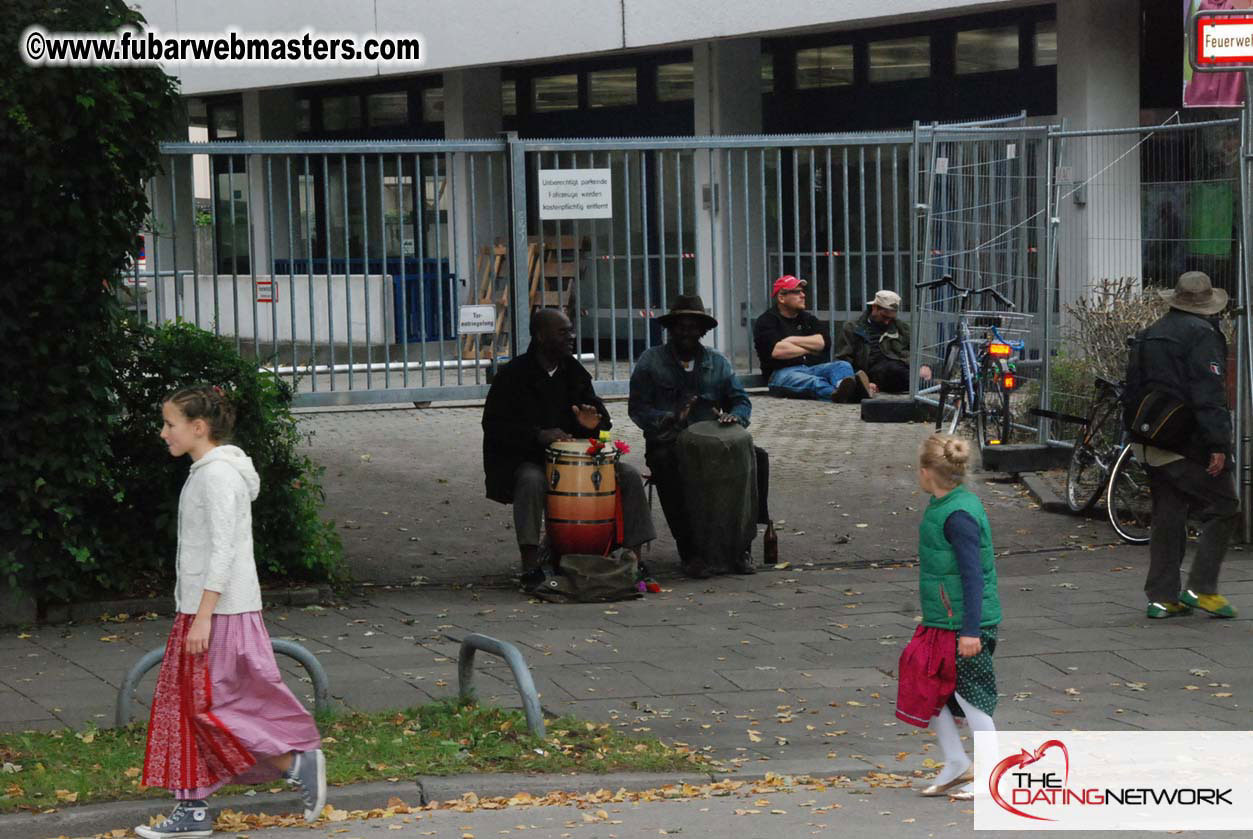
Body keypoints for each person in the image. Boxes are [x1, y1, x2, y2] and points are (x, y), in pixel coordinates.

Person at [139, 386, 325, 839]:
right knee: (184, 708)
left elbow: (222, 552)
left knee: (213, 706)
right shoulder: (206, 470)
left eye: (170, 424)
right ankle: (193, 810)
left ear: (198, 427)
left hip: (219, 613)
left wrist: (203, 617)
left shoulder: (217, 476)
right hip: (202, 609)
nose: (163, 432)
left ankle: (295, 761)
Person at [482, 308, 655, 591]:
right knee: (530, 480)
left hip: (578, 463)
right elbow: (494, 426)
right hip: (531, 459)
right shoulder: (512, 375)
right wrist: (538, 436)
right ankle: (530, 566)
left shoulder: (574, 372)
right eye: (563, 332)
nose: (572, 336)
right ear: (540, 336)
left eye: (571, 330)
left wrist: (590, 425)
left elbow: (603, 426)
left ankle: (633, 562)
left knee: (629, 476)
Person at [629, 294, 771, 578]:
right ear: (670, 329)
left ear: (703, 331)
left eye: (693, 327)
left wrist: (735, 418)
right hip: (668, 442)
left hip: (714, 443)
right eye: (681, 326)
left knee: (758, 459)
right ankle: (690, 551)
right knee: (666, 466)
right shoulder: (650, 361)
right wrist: (667, 418)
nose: (686, 332)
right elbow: (638, 408)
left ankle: (742, 545)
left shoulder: (717, 362)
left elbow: (741, 400)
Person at [1125, 271, 1239, 620]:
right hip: (1186, 441)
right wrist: (1220, 445)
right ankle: (1201, 588)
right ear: (1207, 304)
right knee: (1224, 505)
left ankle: (1162, 598)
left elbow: (1131, 390)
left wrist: (1134, 436)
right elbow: (1209, 394)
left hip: (1149, 438)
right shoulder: (1203, 335)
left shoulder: (1149, 334)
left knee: (1168, 514)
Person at [895, 433, 1000, 802]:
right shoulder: (944, 505)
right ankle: (956, 761)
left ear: (926, 472)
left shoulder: (958, 516)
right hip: (944, 621)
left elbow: (974, 576)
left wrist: (971, 631)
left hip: (966, 625)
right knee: (923, 678)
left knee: (973, 700)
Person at [753, 274, 875, 402]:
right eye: (796, 292)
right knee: (815, 382)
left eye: (802, 291)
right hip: (781, 374)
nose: (803, 295)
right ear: (782, 297)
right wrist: (811, 348)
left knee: (842, 366)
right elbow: (778, 351)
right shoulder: (766, 321)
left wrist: (791, 341)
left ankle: (844, 389)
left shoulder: (807, 318)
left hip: (811, 368)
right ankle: (848, 394)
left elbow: (824, 342)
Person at [836, 289, 931, 393]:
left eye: (891, 318)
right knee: (892, 370)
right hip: (873, 372)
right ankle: (929, 386)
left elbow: (924, 348)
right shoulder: (853, 328)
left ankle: (925, 385)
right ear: (874, 308)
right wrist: (859, 381)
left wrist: (924, 365)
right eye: (884, 317)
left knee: (897, 370)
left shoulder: (901, 327)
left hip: (899, 368)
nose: (887, 322)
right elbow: (844, 358)